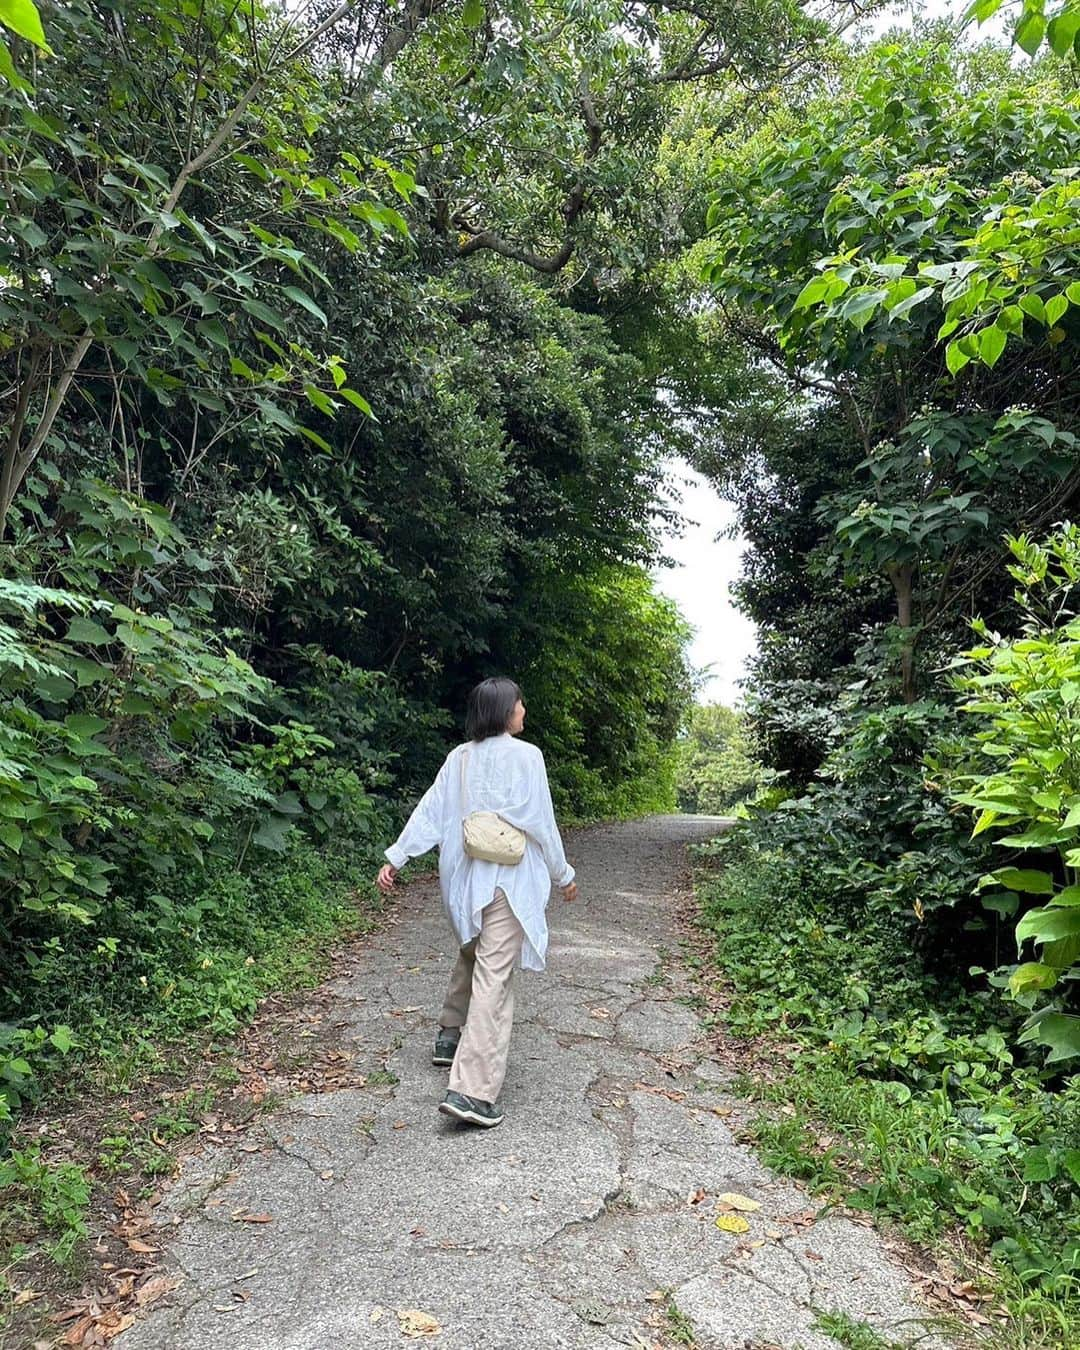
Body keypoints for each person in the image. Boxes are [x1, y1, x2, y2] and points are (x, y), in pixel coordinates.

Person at [376, 677, 577, 1128]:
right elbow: (542, 824)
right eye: (520, 703)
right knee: (494, 979)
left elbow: (431, 811)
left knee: (474, 952)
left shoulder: (460, 758)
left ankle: (449, 1035)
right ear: (506, 712)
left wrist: (398, 856)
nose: (524, 708)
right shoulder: (528, 757)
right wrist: (563, 874)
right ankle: (472, 1092)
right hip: (508, 882)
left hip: (465, 882)